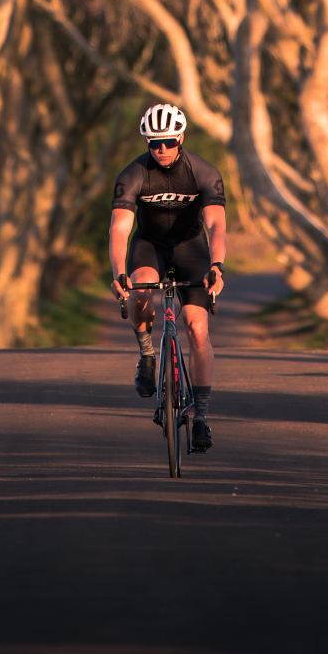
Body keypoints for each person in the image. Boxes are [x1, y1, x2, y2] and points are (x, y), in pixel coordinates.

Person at [109, 102, 226, 451]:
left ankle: (201, 416)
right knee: (141, 294)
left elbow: (217, 223)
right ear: (146, 143)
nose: (161, 150)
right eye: (154, 143)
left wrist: (218, 266)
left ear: (181, 139)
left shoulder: (203, 172)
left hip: (191, 248)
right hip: (150, 246)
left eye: (169, 142)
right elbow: (119, 229)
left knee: (197, 327)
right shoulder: (132, 175)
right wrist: (118, 272)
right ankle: (147, 353)